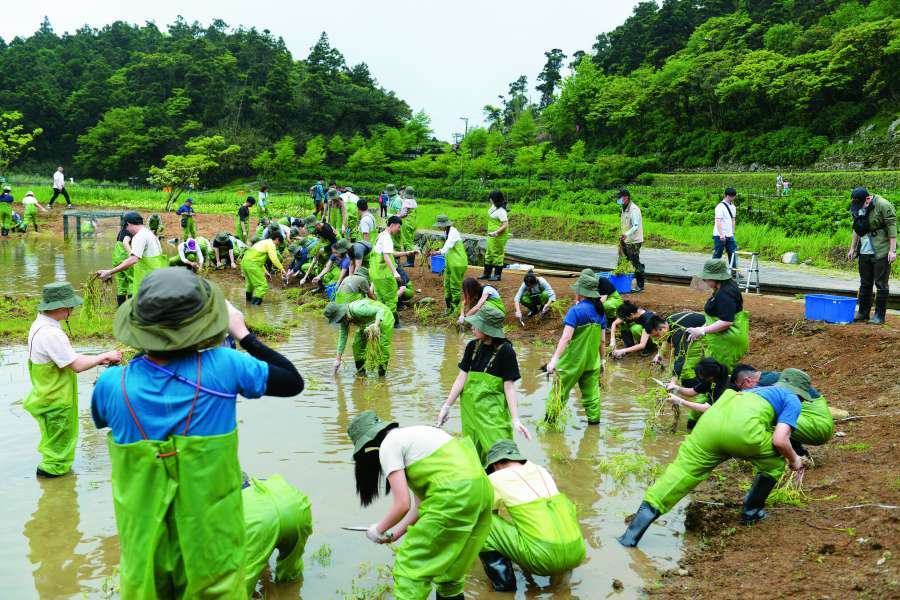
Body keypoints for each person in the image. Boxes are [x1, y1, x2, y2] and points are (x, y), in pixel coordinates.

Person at [91, 268, 304, 597]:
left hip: (143, 558)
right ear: (204, 323)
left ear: (138, 326)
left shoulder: (110, 385)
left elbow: (103, 417)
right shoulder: (226, 366)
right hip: (213, 553)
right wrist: (244, 335)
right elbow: (292, 381)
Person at [618, 370, 810, 547]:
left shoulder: (754, 391)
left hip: (708, 427)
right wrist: (795, 460)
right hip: (743, 433)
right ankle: (751, 513)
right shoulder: (792, 399)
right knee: (774, 464)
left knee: (681, 474)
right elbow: (779, 440)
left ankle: (630, 537)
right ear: (800, 393)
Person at [347, 410, 493, 600]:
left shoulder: (388, 446)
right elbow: (420, 506)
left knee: (409, 568)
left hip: (453, 495)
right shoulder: (414, 436)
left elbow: (402, 505)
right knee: (450, 573)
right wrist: (395, 533)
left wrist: (377, 530)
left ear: (368, 446)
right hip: (481, 491)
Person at [25, 282, 122, 477]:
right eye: (71, 307)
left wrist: (99, 359)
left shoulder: (40, 325)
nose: (73, 310)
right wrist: (104, 356)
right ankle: (56, 490)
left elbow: (68, 358)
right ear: (61, 308)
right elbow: (76, 366)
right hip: (57, 401)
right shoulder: (51, 333)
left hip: (47, 395)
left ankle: (54, 487)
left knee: (54, 446)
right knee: (57, 456)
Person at [479, 440, 585, 591]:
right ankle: (561, 582)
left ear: (495, 465)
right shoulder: (541, 470)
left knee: (482, 521)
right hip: (577, 551)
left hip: (543, 559)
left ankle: (504, 586)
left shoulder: (496, 478)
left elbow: (487, 512)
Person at [438, 306, 530, 463]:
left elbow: (509, 387)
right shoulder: (472, 347)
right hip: (470, 415)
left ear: (488, 329)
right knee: (473, 459)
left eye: (477, 325)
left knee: (502, 459)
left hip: (492, 417)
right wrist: (446, 406)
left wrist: (515, 419)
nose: (472, 327)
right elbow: (461, 378)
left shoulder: (506, 351)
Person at [545, 269, 606, 425]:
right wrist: (603, 361)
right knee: (592, 396)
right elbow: (602, 342)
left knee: (559, 393)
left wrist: (553, 360)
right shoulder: (601, 312)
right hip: (592, 362)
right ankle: (594, 424)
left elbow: (566, 338)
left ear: (580, 292)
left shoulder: (576, 311)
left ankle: (549, 422)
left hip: (573, 362)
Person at [731, 365, 833, 456]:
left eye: (741, 387)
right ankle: (798, 453)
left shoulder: (766, 384)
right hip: (820, 423)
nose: (743, 391)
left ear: (747, 381)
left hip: (817, 426)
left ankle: (777, 460)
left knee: (763, 417)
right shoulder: (773, 377)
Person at [241, 473, 313, 595]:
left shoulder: (234, 502)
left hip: (261, 523)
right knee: (290, 574)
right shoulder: (266, 484)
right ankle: (290, 594)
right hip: (298, 508)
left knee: (243, 584)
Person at [685, 259, 749, 370]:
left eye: (706, 278)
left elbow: (726, 321)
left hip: (727, 342)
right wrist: (700, 328)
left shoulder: (725, 294)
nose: (705, 281)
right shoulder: (723, 288)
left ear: (716, 277)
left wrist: (702, 331)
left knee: (719, 374)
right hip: (722, 339)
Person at [847, 187, 896, 324]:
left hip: (881, 250)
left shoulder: (883, 205)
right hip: (864, 251)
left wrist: (892, 251)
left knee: (881, 284)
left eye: (861, 204)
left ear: (868, 199)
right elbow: (856, 228)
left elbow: (892, 227)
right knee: (865, 283)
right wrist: (852, 248)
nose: (859, 207)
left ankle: (879, 316)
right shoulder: (858, 207)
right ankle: (863, 313)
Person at [98, 212, 168, 296]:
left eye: (126, 227)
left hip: (146, 283)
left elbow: (133, 259)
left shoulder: (139, 236)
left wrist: (109, 272)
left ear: (128, 224)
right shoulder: (150, 234)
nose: (127, 230)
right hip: (156, 280)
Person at [324, 299, 394, 376]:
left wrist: (376, 325)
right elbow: (343, 336)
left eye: (338, 319)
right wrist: (338, 359)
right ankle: (361, 372)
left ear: (342, 313)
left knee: (382, 347)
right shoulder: (344, 318)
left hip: (384, 317)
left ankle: (381, 376)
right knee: (357, 345)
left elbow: (380, 310)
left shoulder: (357, 309)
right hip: (367, 323)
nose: (338, 321)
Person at [664, 356, 731, 430]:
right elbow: (692, 392)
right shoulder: (710, 379)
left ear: (710, 376)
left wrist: (680, 401)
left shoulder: (723, 385)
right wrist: (676, 388)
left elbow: (707, 408)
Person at [371, 216, 415, 321]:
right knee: (391, 301)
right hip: (385, 275)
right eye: (398, 227)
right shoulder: (387, 238)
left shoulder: (380, 236)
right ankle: (395, 327)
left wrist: (407, 253)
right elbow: (386, 256)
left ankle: (380, 323)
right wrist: (395, 272)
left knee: (381, 301)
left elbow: (390, 253)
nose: (399, 230)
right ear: (392, 225)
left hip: (376, 275)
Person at [645, 311, 707, 383]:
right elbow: (667, 340)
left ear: (663, 328)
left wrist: (673, 382)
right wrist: (659, 355)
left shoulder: (678, 332)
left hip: (708, 332)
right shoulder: (668, 322)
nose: (657, 338)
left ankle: (696, 385)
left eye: (657, 335)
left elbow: (680, 356)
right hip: (696, 331)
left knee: (686, 367)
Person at [430, 215, 469, 314]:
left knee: (455, 286)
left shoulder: (453, 232)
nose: (438, 227)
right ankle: (449, 309)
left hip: (458, 263)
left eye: (439, 225)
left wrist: (437, 252)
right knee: (446, 284)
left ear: (444, 225)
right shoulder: (447, 232)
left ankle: (455, 310)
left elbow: (447, 247)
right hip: (450, 263)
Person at [242, 230, 285, 305]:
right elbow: (274, 259)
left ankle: (248, 303)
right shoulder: (271, 244)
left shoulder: (263, 242)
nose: (278, 245)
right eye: (279, 243)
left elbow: (257, 259)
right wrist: (282, 268)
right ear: (277, 239)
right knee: (263, 286)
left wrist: (266, 272)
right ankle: (254, 307)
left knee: (250, 284)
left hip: (245, 262)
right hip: (252, 265)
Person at [617, 189, 645, 292]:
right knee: (621, 260)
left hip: (634, 241)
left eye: (620, 197)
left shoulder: (634, 210)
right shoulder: (624, 208)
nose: (618, 200)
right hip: (625, 239)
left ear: (626, 197)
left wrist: (626, 234)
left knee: (634, 262)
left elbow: (635, 226)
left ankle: (640, 286)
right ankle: (620, 283)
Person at [482, 190, 510, 282]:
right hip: (491, 234)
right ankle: (486, 273)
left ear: (495, 199)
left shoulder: (501, 211)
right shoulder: (494, 207)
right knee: (489, 253)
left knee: (497, 254)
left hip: (498, 235)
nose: (490, 200)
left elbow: (505, 224)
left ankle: (497, 275)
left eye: (491, 198)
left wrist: (496, 232)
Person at [713, 187, 738, 266]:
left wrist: (733, 232)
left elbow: (733, 220)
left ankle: (734, 272)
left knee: (733, 253)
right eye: (731, 196)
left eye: (734, 196)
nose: (733, 198)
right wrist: (721, 234)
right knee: (718, 254)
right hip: (720, 235)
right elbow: (718, 221)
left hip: (730, 235)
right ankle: (713, 271)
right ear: (727, 196)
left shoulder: (733, 207)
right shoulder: (720, 207)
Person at [112, 221, 134, 306]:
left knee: (121, 284)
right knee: (132, 280)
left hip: (116, 259)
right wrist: (132, 254)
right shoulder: (129, 231)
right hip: (125, 258)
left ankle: (121, 307)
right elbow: (125, 242)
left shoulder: (121, 231)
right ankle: (131, 307)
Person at [399, 186, 419, 267]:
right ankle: (410, 261)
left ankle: (410, 262)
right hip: (413, 223)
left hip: (406, 223)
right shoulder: (414, 201)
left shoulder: (406, 201)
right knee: (411, 241)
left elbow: (403, 214)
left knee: (407, 242)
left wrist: (397, 216)